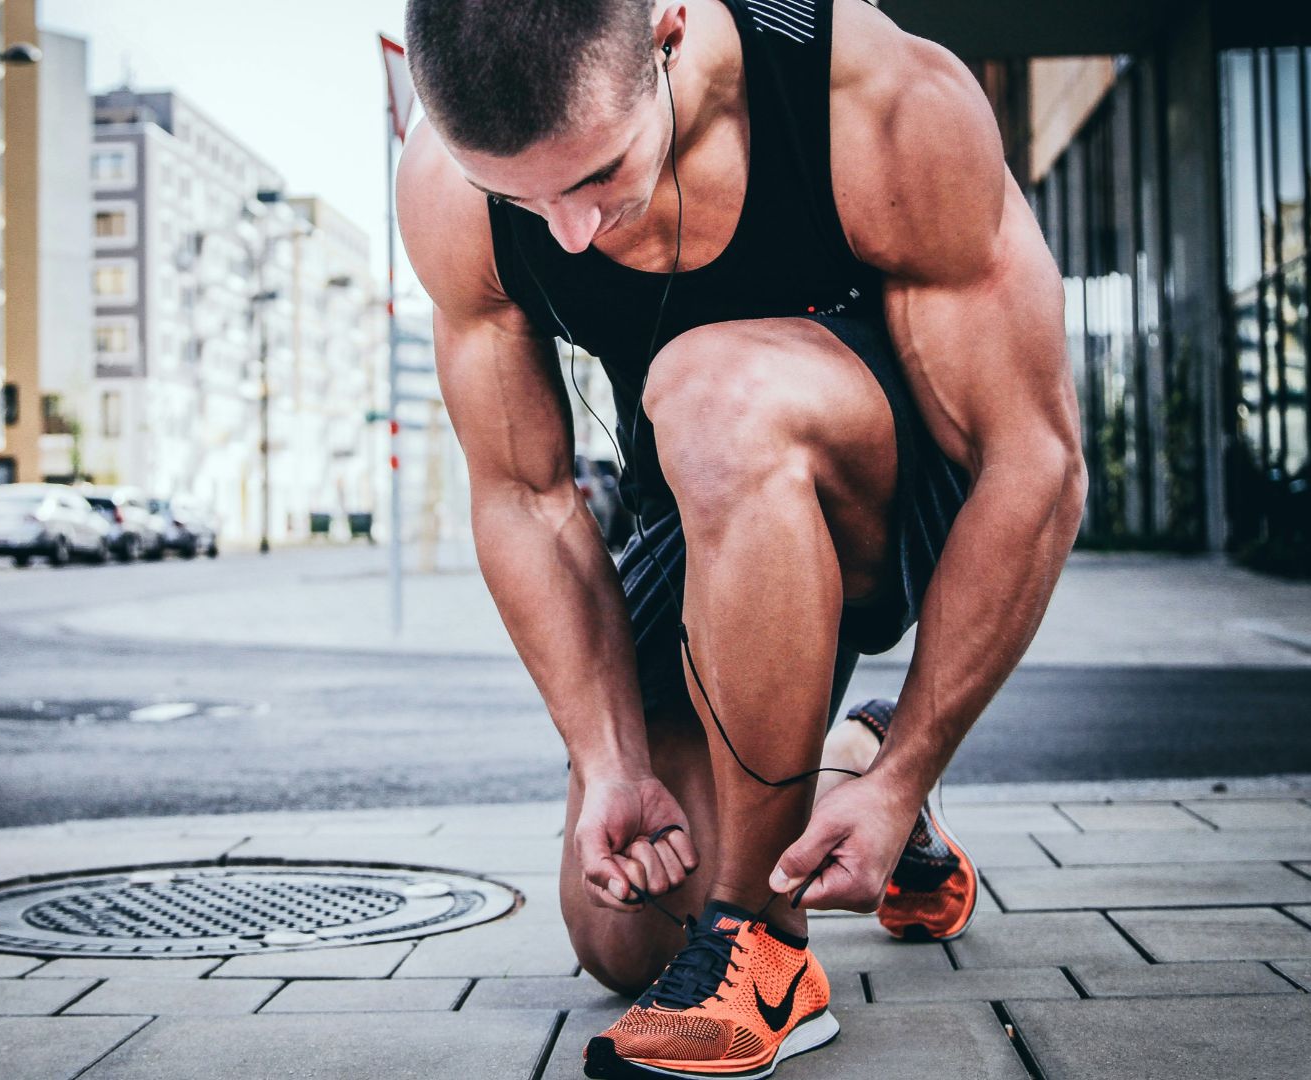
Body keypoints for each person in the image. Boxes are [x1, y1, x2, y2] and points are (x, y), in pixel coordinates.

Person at [396, 1, 1085, 1076]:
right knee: (624, 934)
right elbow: (526, 497)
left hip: (895, 493)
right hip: (702, 503)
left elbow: (1036, 462)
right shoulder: (447, 189)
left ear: (667, 31)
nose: (567, 232)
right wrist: (609, 758)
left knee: (713, 389)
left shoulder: (866, 95)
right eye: (517, 197)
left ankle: (768, 954)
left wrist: (913, 766)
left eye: (596, 175)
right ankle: (835, 758)